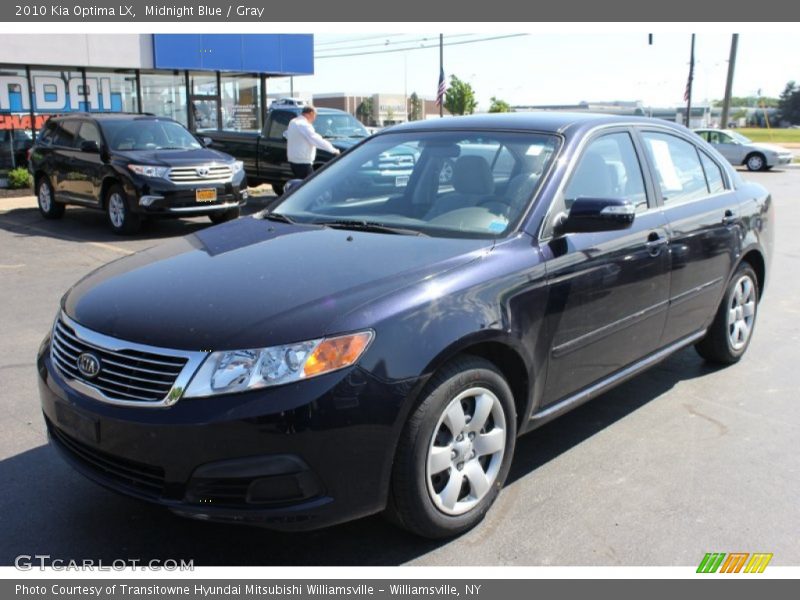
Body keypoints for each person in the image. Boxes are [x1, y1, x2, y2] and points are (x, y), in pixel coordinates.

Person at [286, 106, 340, 178]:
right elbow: (315, 139)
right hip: (303, 162)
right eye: (315, 115)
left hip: (294, 160)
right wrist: (333, 150)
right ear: (311, 113)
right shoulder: (304, 124)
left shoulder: (293, 122)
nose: (314, 118)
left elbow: (286, 134)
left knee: (301, 183)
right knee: (307, 185)